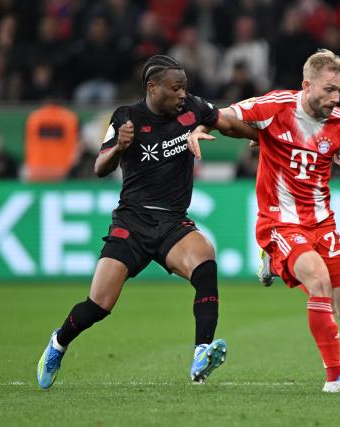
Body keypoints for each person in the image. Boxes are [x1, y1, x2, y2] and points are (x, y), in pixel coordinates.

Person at [188, 49, 340, 393]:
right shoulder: (275, 106)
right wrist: (197, 128)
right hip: (279, 222)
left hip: (322, 223)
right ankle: (335, 377)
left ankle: (274, 264)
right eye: (329, 89)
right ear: (307, 84)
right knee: (317, 280)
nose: (336, 98)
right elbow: (222, 116)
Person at [36, 55, 255, 389]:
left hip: (172, 223)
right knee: (99, 305)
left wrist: (260, 138)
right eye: (175, 87)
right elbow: (100, 168)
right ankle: (58, 343)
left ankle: (201, 352)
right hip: (132, 221)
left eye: (185, 87)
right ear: (153, 87)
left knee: (205, 262)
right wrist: (119, 148)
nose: (183, 93)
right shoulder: (127, 118)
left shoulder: (192, 108)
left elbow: (226, 122)